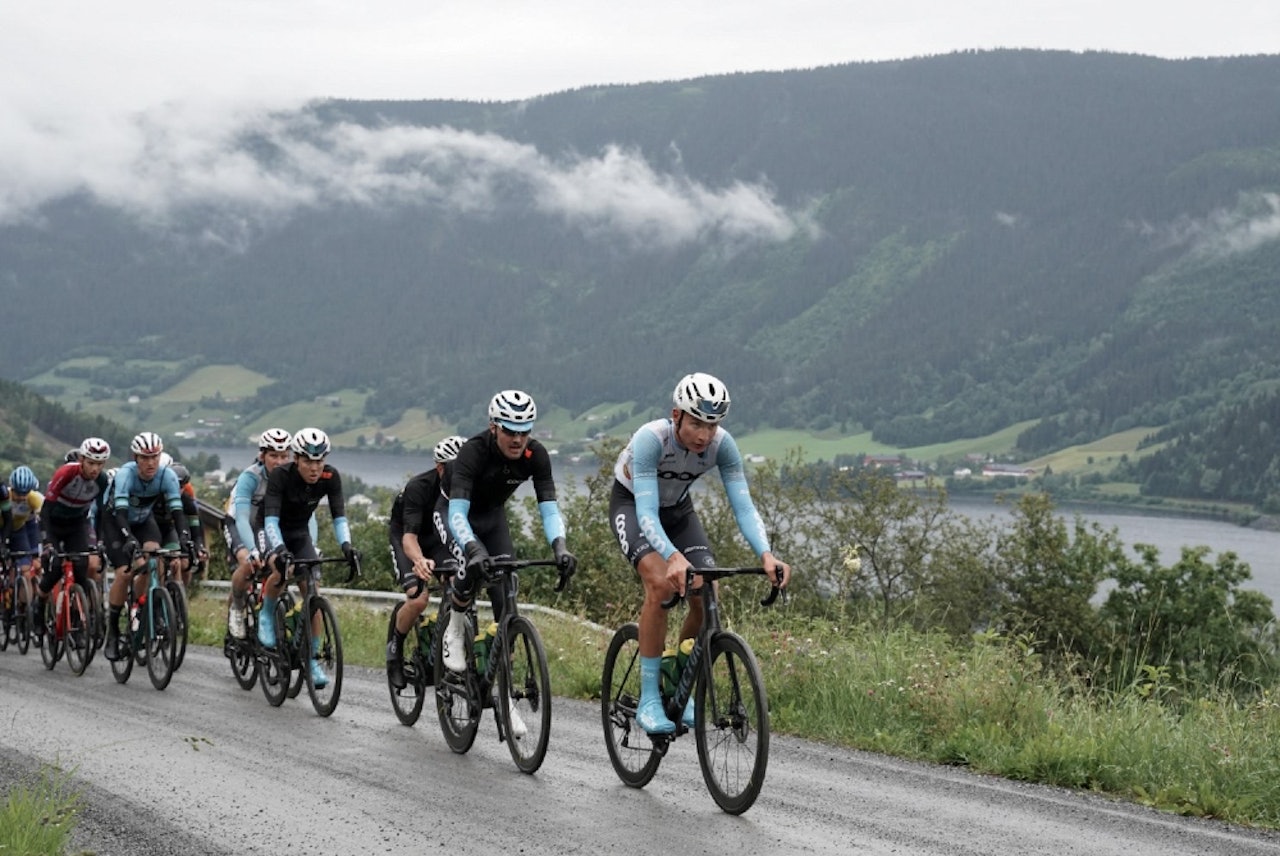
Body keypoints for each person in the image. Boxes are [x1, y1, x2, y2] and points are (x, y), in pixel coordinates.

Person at [608, 372, 790, 735]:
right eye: (696, 424)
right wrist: (672, 556)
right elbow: (645, 514)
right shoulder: (650, 440)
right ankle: (648, 699)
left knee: (706, 589)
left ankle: (677, 677)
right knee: (661, 586)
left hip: (678, 511)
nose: (704, 435)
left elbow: (743, 506)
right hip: (633, 506)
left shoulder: (723, 445)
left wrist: (766, 554)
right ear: (676, 416)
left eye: (712, 424)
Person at [434, 390, 577, 739]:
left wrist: (559, 545)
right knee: (469, 565)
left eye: (524, 430)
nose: (517, 438)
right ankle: (454, 627)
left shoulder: (535, 455)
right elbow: (457, 514)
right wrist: (472, 548)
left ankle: (504, 697)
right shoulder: (473, 451)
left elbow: (548, 507)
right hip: (456, 514)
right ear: (493, 427)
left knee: (506, 598)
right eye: (510, 430)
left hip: (494, 519)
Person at [258, 427, 357, 688]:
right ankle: (267, 615)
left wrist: (346, 546)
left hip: (299, 533)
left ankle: (311, 659)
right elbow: (270, 519)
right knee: (281, 571)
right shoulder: (281, 475)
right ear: (297, 459)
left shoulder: (330, 476)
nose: (315, 468)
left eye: (319, 460)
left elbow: (339, 516)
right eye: (308, 461)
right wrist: (278, 551)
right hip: (271, 529)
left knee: (313, 591)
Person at [385, 434, 466, 689]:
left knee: (457, 581)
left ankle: (445, 641)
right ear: (440, 468)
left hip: (440, 539)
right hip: (409, 537)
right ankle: (395, 651)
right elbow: (409, 537)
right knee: (418, 597)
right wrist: (419, 561)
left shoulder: (468, 486)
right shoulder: (419, 487)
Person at [102, 431, 193, 661]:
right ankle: (112, 632)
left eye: (155, 457)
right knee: (125, 572)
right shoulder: (125, 475)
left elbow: (177, 512)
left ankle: (143, 610)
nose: (151, 462)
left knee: (155, 559)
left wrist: (184, 537)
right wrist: (128, 538)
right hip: (116, 521)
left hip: (143, 520)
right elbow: (121, 513)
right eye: (145, 457)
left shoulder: (167, 476)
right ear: (136, 458)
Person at [35, 438, 113, 641]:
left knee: (81, 569)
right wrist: (48, 543)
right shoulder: (66, 473)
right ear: (81, 459)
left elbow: (103, 513)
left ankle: (78, 622)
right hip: (53, 523)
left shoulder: (102, 481)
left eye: (100, 464)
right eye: (91, 463)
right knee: (53, 572)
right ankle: (39, 609)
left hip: (77, 525)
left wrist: (100, 543)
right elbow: (45, 512)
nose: (95, 469)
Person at [223, 428, 293, 640]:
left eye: (284, 456)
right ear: (262, 456)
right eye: (273, 456)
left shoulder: (291, 477)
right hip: (239, 523)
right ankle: (236, 607)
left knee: (280, 564)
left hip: (267, 526)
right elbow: (242, 519)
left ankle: (269, 612)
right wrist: (252, 550)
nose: (279, 462)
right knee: (248, 562)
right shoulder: (250, 477)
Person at [6, 466, 42, 570]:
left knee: (25, 568)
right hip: (2, 529)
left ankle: (20, 584)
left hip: (18, 529)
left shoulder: (34, 498)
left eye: (25, 493)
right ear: (12, 488)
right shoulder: (4, 496)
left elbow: (43, 518)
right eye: (18, 493)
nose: (21, 497)